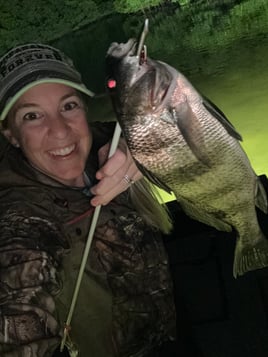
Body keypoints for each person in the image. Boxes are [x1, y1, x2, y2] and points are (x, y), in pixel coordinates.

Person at [0, 43, 177, 356]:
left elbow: (199, 130)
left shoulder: (110, 139)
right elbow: (20, 314)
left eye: (68, 106)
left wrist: (147, 141)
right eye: (32, 116)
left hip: (168, 332)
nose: (59, 131)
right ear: (10, 135)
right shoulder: (21, 220)